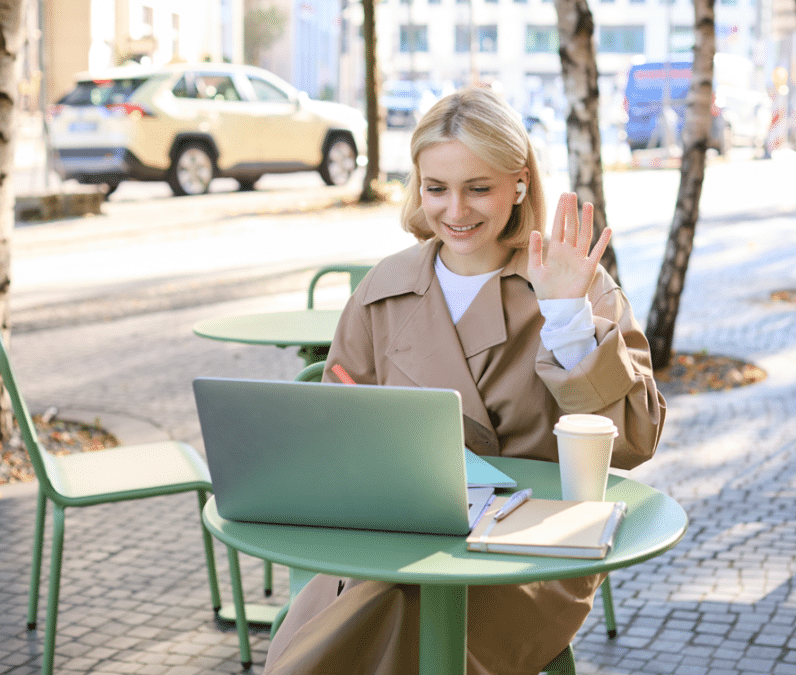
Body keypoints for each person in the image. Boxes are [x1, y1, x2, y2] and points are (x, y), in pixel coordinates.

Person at [263, 86, 666, 675]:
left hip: (532, 555)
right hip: (398, 538)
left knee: (391, 614)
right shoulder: (383, 290)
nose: (455, 211)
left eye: (478, 188)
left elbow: (635, 440)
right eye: (436, 189)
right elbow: (340, 437)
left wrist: (568, 321)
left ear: (519, 184)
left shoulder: (575, 283)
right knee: (381, 602)